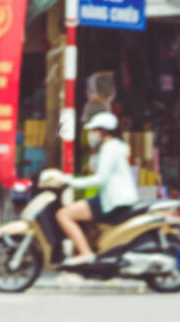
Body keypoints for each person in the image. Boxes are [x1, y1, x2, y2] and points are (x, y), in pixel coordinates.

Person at [58, 111, 136, 265]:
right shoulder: (114, 147)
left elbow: (100, 178)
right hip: (112, 198)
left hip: (113, 200)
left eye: (94, 130)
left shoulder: (110, 148)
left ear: (103, 131)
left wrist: (70, 181)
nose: (91, 134)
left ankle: (86, 253)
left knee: (64, 215)